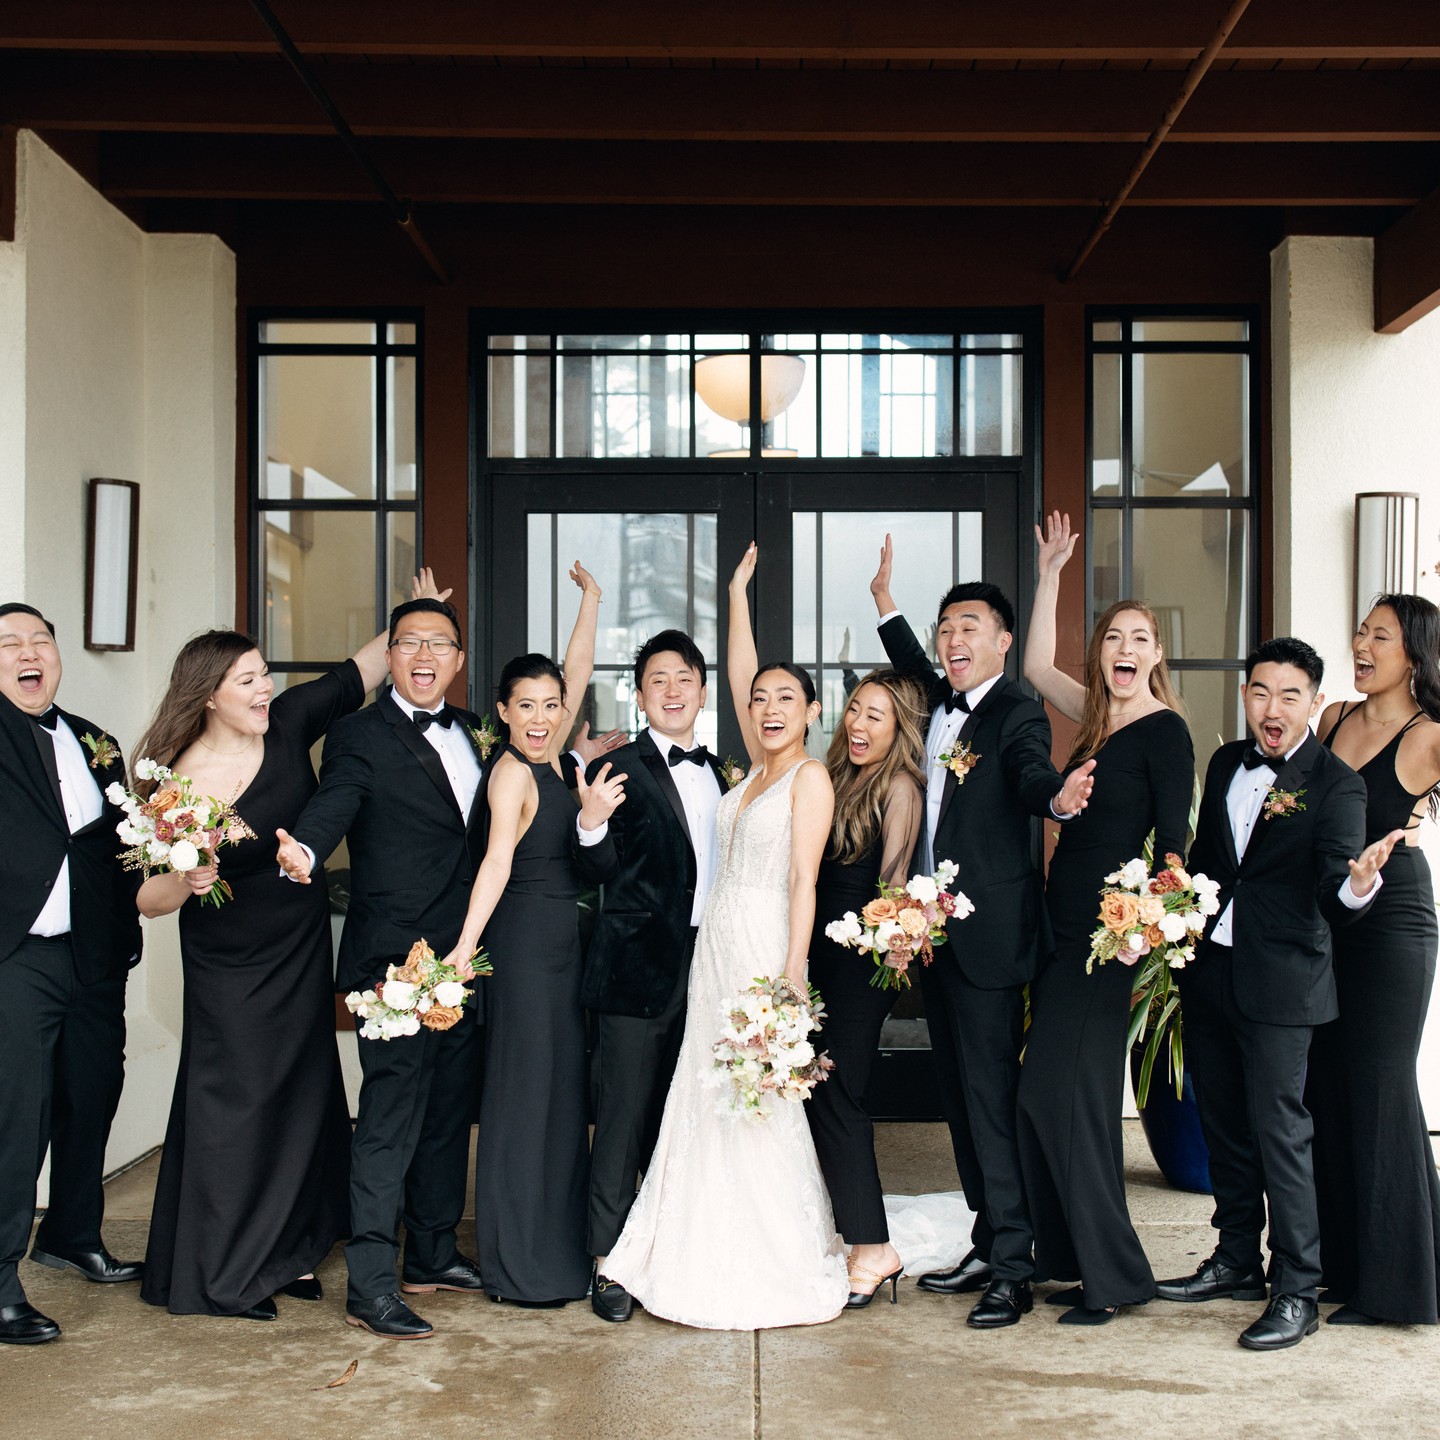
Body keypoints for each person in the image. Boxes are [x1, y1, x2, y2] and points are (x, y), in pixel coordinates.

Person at [134, 571, 448, 1322]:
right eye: (247, 680)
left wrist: (416, 621)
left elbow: (359, 673)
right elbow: (147, 899)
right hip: (229, 959)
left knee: (303, 1094)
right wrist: (188, 876)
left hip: (298, 946)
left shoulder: (287, 722)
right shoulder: (177, 781)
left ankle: (291, 1249)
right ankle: (229, 1267)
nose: (264, 688)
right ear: (209, 695)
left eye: (264, 673)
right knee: (237, 1102)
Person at [601, 543, 850, 1329]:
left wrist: (793, 970)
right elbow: (744, 675)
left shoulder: (809, 777)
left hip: (765, 945)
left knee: (759, 1093)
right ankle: (687, 1233)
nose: (769, 708)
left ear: (813, 711)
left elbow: (804, 879)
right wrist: (737, 594)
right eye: (760, 699)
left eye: (787, 698)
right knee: (705, 1090)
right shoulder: (751, 772)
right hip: (712, 949)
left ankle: (768, 1247)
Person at [870, 534, 1095, 1329]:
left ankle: (1013, 1267)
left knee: (991, 1103)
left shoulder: (1016, 712)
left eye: (970, 626)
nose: (953, 638)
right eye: (946, 628)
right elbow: (909, 658)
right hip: (936, 938)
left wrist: (1056, 800)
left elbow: (1032, 773)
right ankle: (986, 1236)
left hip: (991, 941)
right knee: (961, 1106)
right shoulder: (938, 699)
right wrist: (885, 602)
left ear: (1003, 640)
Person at [1157, 636, 1402, 1351]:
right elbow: (1211, 863)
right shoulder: (1226, 763)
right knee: (1224, 1126)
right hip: (1211, 972)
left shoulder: (1337, 785)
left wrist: (1359, 884)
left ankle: (1297, 1288)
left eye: (1290, 695)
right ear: (1244, 697)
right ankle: (1236, 1258)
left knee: (1281, 1133)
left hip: (1284, 985)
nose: (1273, 708)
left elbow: (1332, 889)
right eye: (1261, 692)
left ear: (1314, 703)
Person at [276, 595, 492, 1340]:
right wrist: (306, 849)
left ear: (458, 660)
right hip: (394, 961)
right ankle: (370, 1284)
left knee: (447, 1113)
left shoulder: (477, 732)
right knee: (390, 1120)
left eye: (439, 643)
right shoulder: (357, 734)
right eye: (410, 643)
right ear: (390, 655)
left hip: (464, 956)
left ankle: (431, 1252)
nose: (425, 655)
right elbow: (335, 802)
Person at [1015, 512, 1194, 1324]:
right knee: (1042, 1095)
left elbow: (1175, 848)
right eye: (1113, 637)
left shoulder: (1165, 732)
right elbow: (1033, 666)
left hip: (1108, 938)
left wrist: (1140, 930)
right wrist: (1052, 571)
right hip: (1062, 931)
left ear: (1156, 655)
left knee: (1072, 1099)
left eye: (1139, 639)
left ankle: (1114, 1277)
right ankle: (1072, 1259)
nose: (1125, 648)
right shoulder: (1094, 714)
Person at [441, 564, 619, 1308]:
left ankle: (553, 1251)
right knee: (523, 1100)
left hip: (559, 950)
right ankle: (518, 1263)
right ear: (503, 712)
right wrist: (464, 949)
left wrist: (591, 603)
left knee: (558, 1099)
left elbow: (575, 670)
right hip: (519, 950)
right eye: (527, 706)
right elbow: (494, 864)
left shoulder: (549, 759)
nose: (543, 716)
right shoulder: (512, 774)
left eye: (552, 705)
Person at [0, 603, 145, 1347]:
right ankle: (0, 1282)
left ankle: (72, 1233)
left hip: (91, 955)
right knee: (16, 1119)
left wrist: (128, 929)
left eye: (40, 641)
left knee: (91, 1095)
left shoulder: (95, 741)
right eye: (9, 643)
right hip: (16, 956)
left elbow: (115, 850)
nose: (29, 653)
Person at [573, 629, 728, 1323]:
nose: (672, 690)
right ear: (639, 695)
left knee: (684, 1119)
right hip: (636, 971)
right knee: (623, 1119)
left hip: (710, 966)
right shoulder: (618, 766)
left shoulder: (722, 772)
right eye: (657, 679)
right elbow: (597, 869)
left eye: (684, 678)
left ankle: (668, 1249)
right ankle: (608, 1262)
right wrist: (589, 824)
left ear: (703, 691)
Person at [1306, 595, 1440, 1326]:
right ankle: (1342, 1267)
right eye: (1360, 631)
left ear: (1414, 653)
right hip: (1329, 918)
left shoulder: (1429, 735)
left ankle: (1395, 1291)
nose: (1361, 644)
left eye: (1379, 635)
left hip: (1394, 925)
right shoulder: (1332, 720)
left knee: (1381, 1087)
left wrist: (1412, 825)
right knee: (1327, 1086)